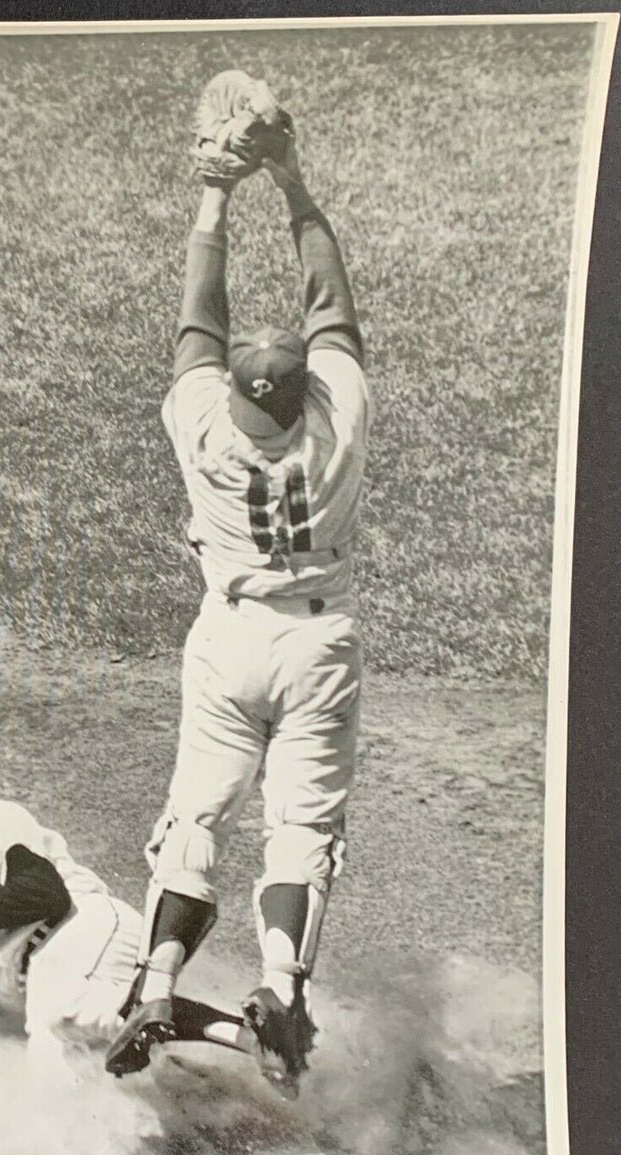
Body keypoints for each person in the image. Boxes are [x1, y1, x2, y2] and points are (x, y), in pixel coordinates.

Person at [105, 133, 369, 1094]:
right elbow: (330, 303)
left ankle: (159, 975)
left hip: (227, 639)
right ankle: (281, 989)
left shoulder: (205, 427)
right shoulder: (338, 415)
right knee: (301, 832)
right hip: (317, 640)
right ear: (302, 396)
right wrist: (294, 178)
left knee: (196, 818)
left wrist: (216, 193)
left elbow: (196, 322)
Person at [0, 748, 247, 1069]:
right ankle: (252, 1042)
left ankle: (242, 1041)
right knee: (94, 1044)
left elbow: (46, 894)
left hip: (80, 926)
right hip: (41, 978)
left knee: (57, 1032)